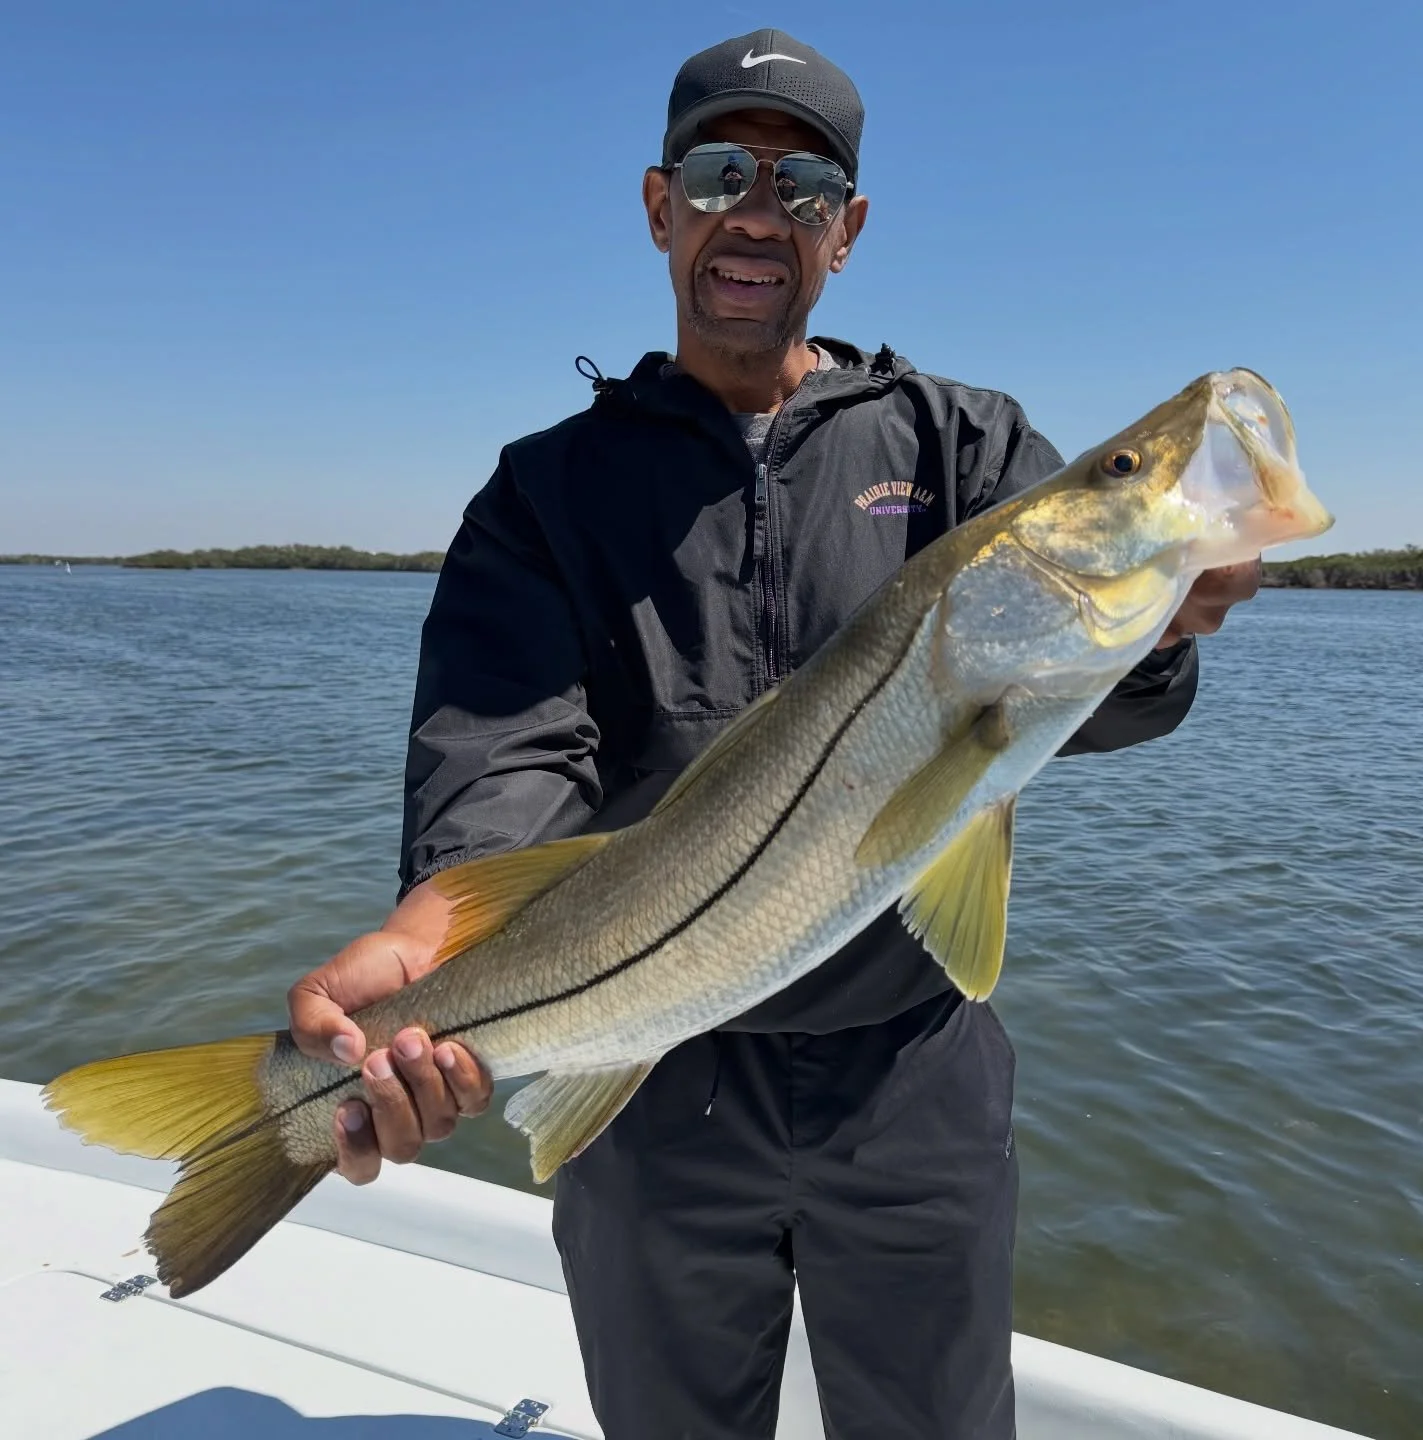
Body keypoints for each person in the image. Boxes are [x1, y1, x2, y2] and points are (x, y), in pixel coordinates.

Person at [286, 27, 1259, 1440]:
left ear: (848, 232)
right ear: (657, 203)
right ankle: (268, 1125)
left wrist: (1160, 625)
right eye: (718, 171)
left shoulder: (962, 449)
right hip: (644, 1083)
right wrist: (442, 932)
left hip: (913, 1078)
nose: (756, 213)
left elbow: (1085, 697)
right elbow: (503, 758)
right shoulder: (542, 496)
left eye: (803, 188)